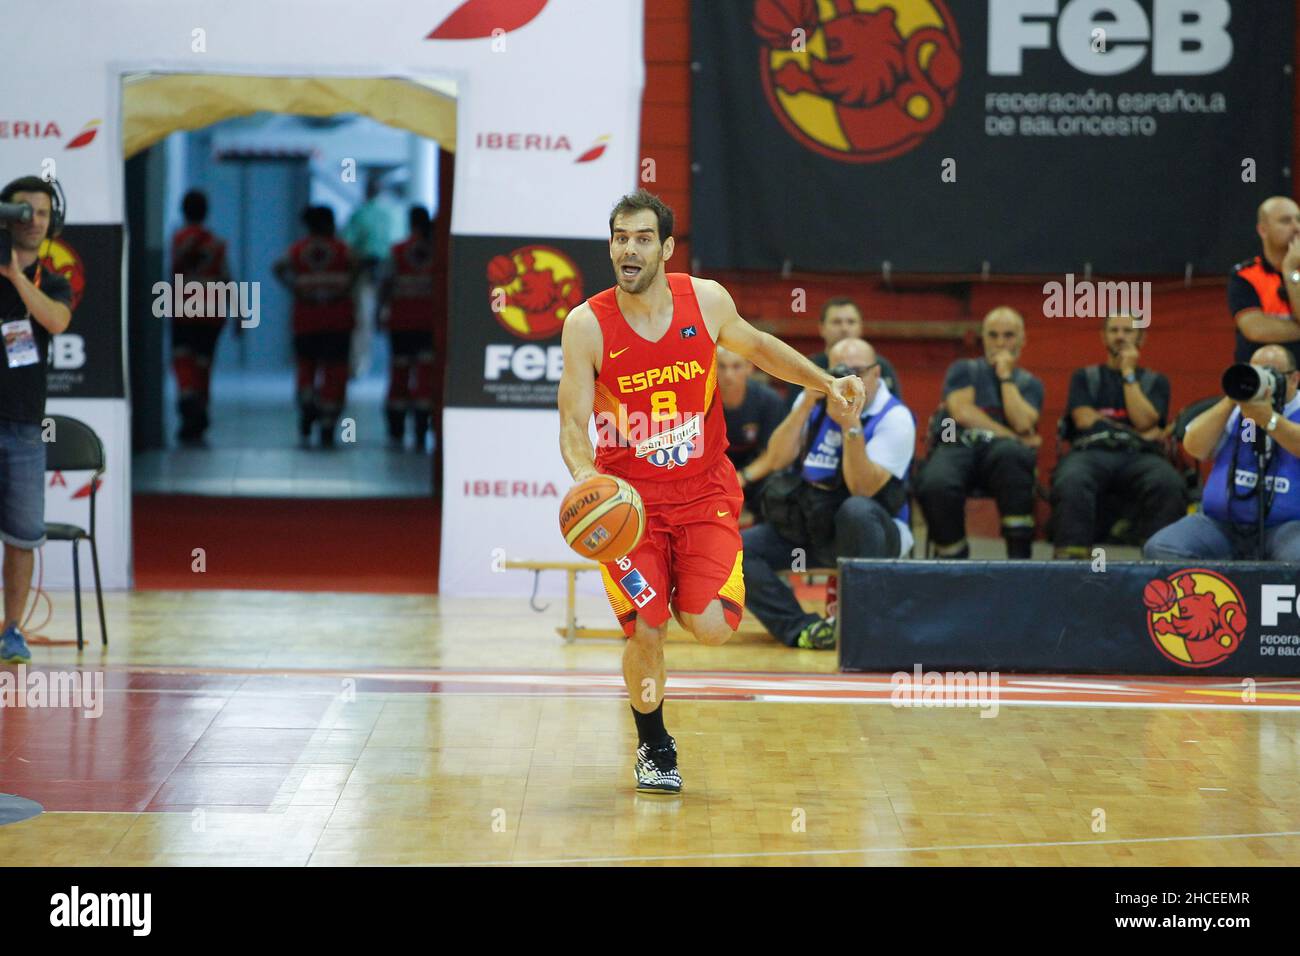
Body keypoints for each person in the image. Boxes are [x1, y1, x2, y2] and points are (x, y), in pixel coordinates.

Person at [557, 189, 864, 794]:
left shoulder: (707, 299)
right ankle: (654, 744)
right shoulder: (587, 325)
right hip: (632, 507)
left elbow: (759, 348)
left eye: (643, 238)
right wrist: (586, 478)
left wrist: (826, 381)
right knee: (647, 628)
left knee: (713, 626)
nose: (629, 249)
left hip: (703, 493)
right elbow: (572, 424)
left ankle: (685, 585)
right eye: (620, 237)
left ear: (666, 248)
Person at [739, 336, 915, 650]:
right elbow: (777, 459)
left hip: (872, 534)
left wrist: (850, 424)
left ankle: (865, 630)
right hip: (814, 525)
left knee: (856, 509)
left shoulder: (895, 417)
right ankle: (803, 630)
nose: (849, 379)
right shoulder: (817, 400)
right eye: (840, 370)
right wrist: (806, 402)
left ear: (875, 374)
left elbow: (863, 488)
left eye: (857, 371)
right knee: (738, 550)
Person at [0, 176, 74, 664]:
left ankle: (12, 630)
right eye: (24, 211)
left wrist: (16, 277)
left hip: (25, 426)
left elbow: (55, 321)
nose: (34, 220)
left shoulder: (55, 281)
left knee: (22, 536)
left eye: (43, 213)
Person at [1144, 345, 1300, 561]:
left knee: (1296, 559)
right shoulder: (1237, 409)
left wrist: (1269, 420)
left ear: (1294, 379)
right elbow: (1195, 448)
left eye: (1271, 374)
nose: (1263, 382)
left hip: (1286, 528)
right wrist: (1231, 398)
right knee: (1162, 548)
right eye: (1256, 372)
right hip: (1222, 524)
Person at [1050, 315, 1185, 557]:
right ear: (1103, 336)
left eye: (1128, 331)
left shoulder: (1156, 381)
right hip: (1091, 451)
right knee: (1071, 479)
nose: (1120, 336)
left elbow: (1145, 420)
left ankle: (1160, 562)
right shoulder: (1085, 377)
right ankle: (1070, 561)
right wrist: (1136, 429)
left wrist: (1128, 374)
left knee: (1169, 483)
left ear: (1141, 338)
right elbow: (1082, 419)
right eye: (1114, 330)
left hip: (1140, 456)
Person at [914, 307, 1043, 559]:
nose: (1000, 343)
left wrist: (1005, 378)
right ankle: (954, 559)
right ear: (983, 337)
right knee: (934, 482)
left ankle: (1019, 562)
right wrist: (1013, 436)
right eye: (993, 335)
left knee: (1015, 457)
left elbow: (1024, 422)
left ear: (1022, 339)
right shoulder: (965, 369)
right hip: (956, 444)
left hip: (1002, 458)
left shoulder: (1029, 383)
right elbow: (962, 413)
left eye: (1008, 335)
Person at [273, 207, 357, 448]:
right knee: (335, 371)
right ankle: (328, 422)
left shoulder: (298, 250)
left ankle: (308, 403)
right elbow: (356, 267)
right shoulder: (343, 249)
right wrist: (343, 288)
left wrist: (296, 288)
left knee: (306, 366)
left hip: (306, 318)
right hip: (337, 319)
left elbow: (277, 268)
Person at [169, 190, 230, 445]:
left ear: (184, 210)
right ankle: (200, 408)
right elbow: (227, 277)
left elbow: (173, 271)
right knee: (205, 362)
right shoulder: (216, 243)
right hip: (212, 309)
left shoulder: (177, 239)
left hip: (183, 306)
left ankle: (187, 396)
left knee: (183, 357)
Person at [378, 206, 438, 448]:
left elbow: (385, 285)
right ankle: (422, 430)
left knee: (399, 374)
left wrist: (378, 314)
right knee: (425, 376)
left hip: (401, 323)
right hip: (429, 324)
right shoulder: (439, 252)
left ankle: (396, 429)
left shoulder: (397, 251)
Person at [784, 296, 902, 408]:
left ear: (860, 327)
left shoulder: (878, 366)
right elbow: (789, 414)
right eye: (836, 322)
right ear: (822, 328)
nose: (844, 328)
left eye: (851, 322)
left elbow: (894, 409)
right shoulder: (806, 367)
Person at [1229, 196, 1300, 369]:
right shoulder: (1245, 275)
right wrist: (1289, 269)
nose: (1296, 228)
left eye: (1298, 219)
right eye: (1285, 221)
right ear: (1263, 230)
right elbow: (1256, 330)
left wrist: (1291, 272)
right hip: (1261, 378)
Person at [342, 174, 401, 379]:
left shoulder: (360, 214)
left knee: (362, 321)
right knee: (392, 318)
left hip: (365, 271)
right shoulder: (394, 213)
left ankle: (359, 366)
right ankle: (396, 365)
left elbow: (346, 245)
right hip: (391, 271)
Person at [718, 346, 784, 522]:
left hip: (753, 467)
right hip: (715, 468)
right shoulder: (699, 399)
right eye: (721, 366)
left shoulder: (769, 400)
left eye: (736, 366)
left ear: (749, 368)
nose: (728, 374)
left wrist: (742, 477)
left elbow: (772, 455)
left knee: (775, 484)